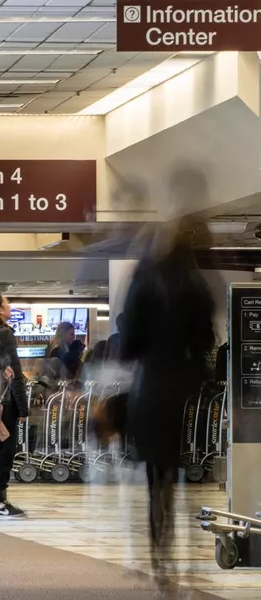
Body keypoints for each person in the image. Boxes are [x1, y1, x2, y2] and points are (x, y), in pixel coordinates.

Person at [120, 220, 214, 589]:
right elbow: (205, 340)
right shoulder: (194, 286)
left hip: (150, 386)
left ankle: (161, 553)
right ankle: (182, 548)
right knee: (174, 467)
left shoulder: (143, 285)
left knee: (156, 476)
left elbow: (129, 345)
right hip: (183, 387)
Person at [0, 293, 29, 519]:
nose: (9, 305)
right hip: (5, 403)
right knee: (4, 451)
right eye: (6, 302)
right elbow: (16, 372)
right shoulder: (4, 333)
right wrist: (23, 406)